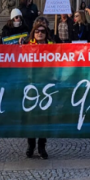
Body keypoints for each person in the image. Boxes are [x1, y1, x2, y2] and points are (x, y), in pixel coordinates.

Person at [24, 22, 53, 159]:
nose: (40, 33)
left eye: (42, 31)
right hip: (31, 85)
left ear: (46, 33)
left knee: (44, 117)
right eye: (37, 31)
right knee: (31, 116)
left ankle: (42, 145)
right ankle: (31, 144)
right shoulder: (27, 46)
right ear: (33, 33)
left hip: (47, 85)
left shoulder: (53, 46)